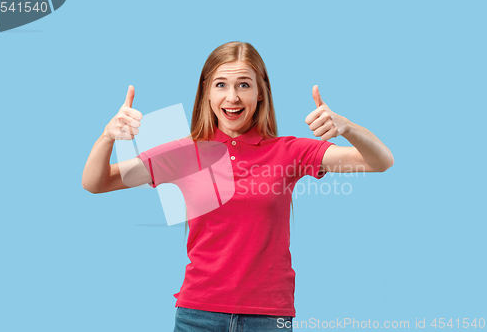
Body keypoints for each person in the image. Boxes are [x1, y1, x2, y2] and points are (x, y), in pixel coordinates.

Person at [82, 41, 394, 332]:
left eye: (243, 85)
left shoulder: (290, 151)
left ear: (261, 92)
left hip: (270, 316)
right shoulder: (185, 153)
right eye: (221, 85)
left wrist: (349, 128)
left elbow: (379, 162)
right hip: (197, 314)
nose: (232, 97)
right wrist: (107, 136)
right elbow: (96, 182)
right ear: (207, 92)